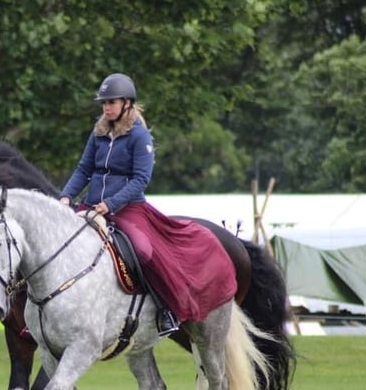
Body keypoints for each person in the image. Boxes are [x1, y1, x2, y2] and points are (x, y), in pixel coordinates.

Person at [59, 73, 237, 334]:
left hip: (128, 209)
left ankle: (166, 311)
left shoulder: (139, 136)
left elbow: (141, 180)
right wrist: (65, 196)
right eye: (104, 103)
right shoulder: (97, 133)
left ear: (127, 104)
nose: (106, 107)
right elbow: (83, 169)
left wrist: (111, 203)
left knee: (143, 250)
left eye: (111, 102)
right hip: (91, 206)